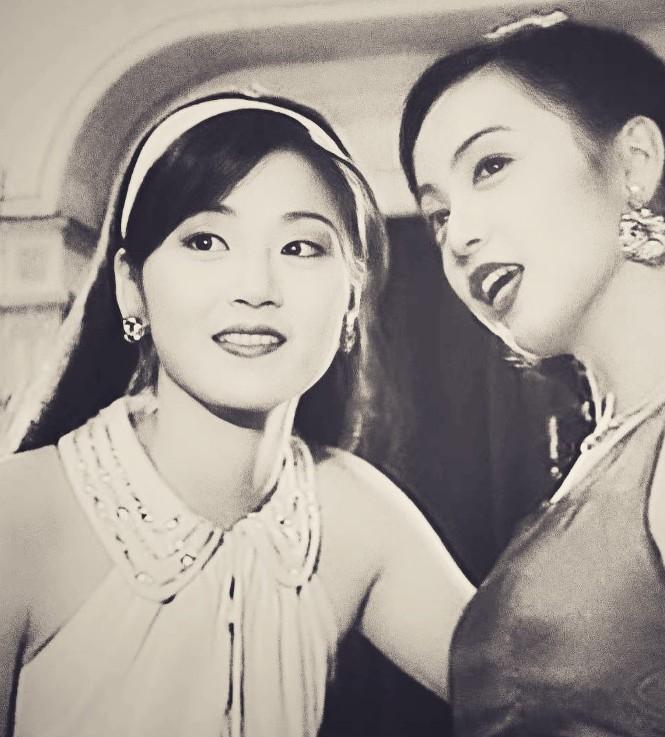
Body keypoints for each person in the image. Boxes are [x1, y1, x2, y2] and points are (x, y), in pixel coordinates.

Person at [0, 90, 473, 737]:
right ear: (131, 286)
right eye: (205, 240)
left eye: (300, 247)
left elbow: (544, 697)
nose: (255, 288)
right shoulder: (21, 516)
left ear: (351, 298)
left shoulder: (348, 512)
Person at [399, 12, 665, 737]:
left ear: (634, 162)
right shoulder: (608, 458)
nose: (460, 237)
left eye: (490, 166)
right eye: (438, 216)